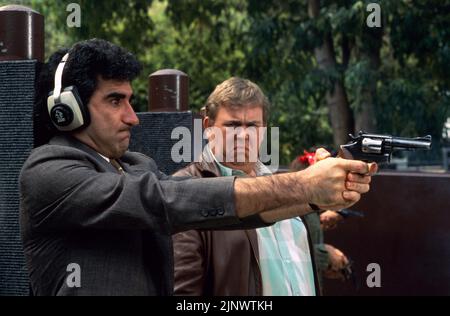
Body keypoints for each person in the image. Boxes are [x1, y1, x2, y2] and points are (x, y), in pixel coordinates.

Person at [19, 39, 375, 296]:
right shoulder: (49, 171)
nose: (132, 118)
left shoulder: (135, 164)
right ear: (66, 109)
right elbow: (164, 200)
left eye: (130, 101)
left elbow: (223, 215)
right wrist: (302, 186)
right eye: (115, 100)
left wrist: (316, 197)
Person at [172, 77, 366, 296]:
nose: (243, 135)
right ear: (208, 127)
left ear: (264, 129)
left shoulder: (286, 188)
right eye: (232, 125)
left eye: (252, 125)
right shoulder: (187, 190)